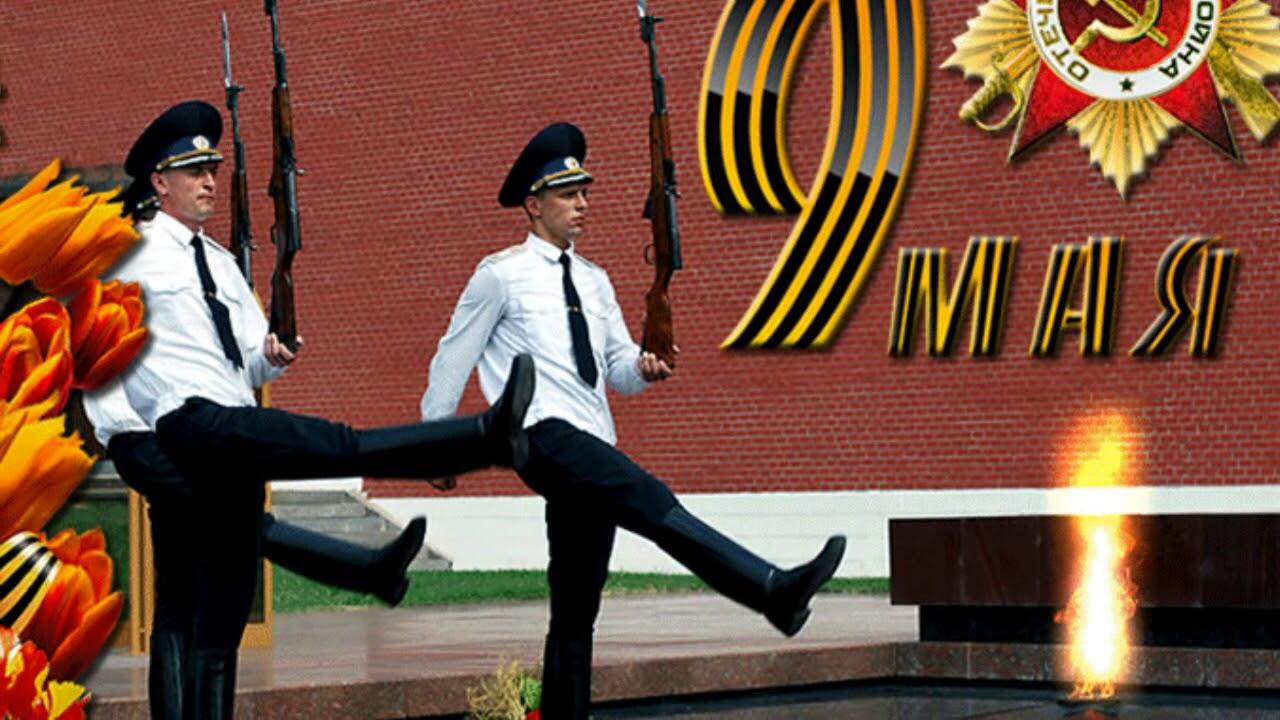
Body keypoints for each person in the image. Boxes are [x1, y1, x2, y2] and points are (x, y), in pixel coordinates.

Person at [106, 100, 537, 720]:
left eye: (213, 170)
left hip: (230, 434)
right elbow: (99, 353)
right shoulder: (127, 254)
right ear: (159, 181)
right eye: (194, 172)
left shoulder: (222, 265)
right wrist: (127, 442)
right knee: (325, 450)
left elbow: (246, 362)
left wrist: (272, 355)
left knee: (216, 612)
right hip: (182, 433)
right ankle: (478, 439)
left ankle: (379, 558)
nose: (209, 182)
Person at [420, 123, 846, 719]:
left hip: (592, 436)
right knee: (647, 496)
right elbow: (452, 356)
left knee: (577, 602)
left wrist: (646, 367)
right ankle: (770, 589)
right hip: (540, 434)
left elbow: (616, 368)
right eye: (568, 195)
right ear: (534, 204)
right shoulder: (500, 275)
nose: (582, 204)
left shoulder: (595, 281)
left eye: (584, 192)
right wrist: (435, 445)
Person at [82, 381, 426, 720]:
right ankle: (368, 571)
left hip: (184, 434)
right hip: (143, 437)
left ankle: (371, 571)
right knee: (238, 522)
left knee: (177, 594)